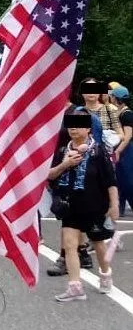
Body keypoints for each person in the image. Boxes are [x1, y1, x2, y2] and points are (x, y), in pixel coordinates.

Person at [48, 107, 117, 302]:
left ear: (88, 129)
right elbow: (50, 175)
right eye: (71, 125)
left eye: (79, 125)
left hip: (94, 205)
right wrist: (65, 164)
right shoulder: (62, 150)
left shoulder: (98, 151)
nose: (73, 129)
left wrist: (114, 204)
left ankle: (105, 274)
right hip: (69, 205)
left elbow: (110, 181)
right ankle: (75, 286)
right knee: (70, 245)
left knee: (99, 244)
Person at [110, 86, 133, 216]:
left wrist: (118, 151)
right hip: (118, 147)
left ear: (116, 97)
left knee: (128, 179)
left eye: (112, 95)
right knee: (119, 178)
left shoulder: (127, 114)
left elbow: (128, 136)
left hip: (126, 149)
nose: (110, 97)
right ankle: (120, 207)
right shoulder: (118, 112)